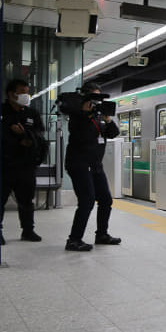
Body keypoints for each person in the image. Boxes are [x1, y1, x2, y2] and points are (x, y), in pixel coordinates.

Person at [64, 81, 121, 252]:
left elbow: (113, 133)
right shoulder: (77, 116)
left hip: (95, 165)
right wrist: (85, 114)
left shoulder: (99, 116)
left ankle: (102, 234)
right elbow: (79, 136)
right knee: (87, 201)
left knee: (106, 200)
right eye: (94, 98)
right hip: (79, 164)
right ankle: (73, 240)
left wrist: (108, 119)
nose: (96, 102)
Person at [1, 79, 45, 244]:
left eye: (27, 92)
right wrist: (17, 140)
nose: (26, 96)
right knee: (0, 200)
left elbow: (39, 134)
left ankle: (28, 230)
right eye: (22, 92)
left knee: (26, 200)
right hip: (4, 165)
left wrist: (25, 136)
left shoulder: (32, 114)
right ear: (11, 94)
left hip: (26, 165)